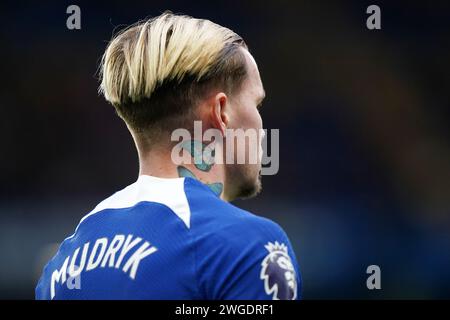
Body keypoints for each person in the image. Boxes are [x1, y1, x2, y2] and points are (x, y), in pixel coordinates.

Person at [35, 12, 301, 300]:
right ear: (221, 112)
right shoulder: (248, 247)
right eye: (256, 103)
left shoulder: (62, 267)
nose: (262, 130)